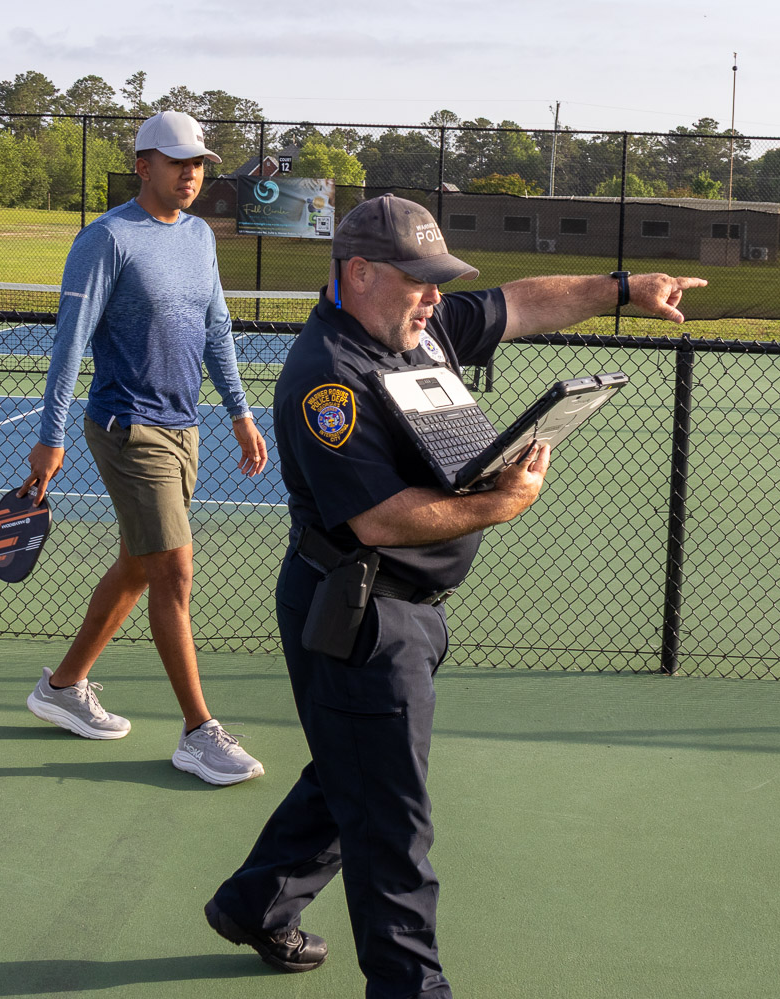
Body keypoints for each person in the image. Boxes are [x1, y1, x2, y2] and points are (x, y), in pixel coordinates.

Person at [202, 194, 707, 994]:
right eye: (419, 280)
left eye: (439, 281)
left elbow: (521, 304)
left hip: (407, 608)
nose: (435, 297)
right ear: (359, 273)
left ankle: (253, 903)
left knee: (356, 770)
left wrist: (620, 288)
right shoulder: (327, 376)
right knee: (391, 820)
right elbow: (377, 519)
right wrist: (501, 504)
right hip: (360, 610)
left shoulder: (415, 325)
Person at [20, 111, 268, 787]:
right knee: (173, 572)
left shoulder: (199, 236)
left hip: (184, 426)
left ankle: (63, 687)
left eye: (199, 164)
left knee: (139, 563)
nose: (191, 174)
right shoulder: (106, 238)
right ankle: (198, 732)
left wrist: (240, 412)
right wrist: (50, 436)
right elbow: (70, 341)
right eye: (177, 162)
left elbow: (216, 327)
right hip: (127, 427)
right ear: (143, 165)